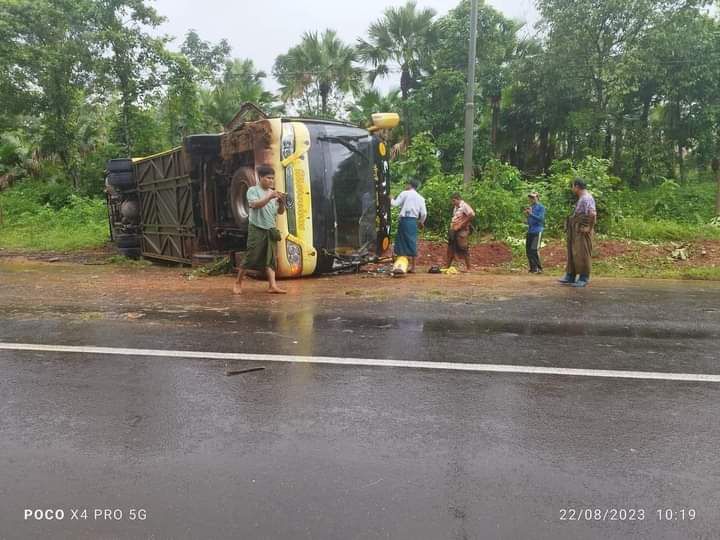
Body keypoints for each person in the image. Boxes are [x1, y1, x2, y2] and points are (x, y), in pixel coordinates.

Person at [233, 165, 287, 295]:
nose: (271, 181)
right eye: (268, 178)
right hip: (257, 228)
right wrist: (269, 197)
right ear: (261, 178)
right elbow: (254, 205)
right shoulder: (253, 191)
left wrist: (281, 203)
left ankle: (272, 285)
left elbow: (280, 212)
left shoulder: (273, 192)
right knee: (251, 256)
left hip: (270, 228)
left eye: (272, 178)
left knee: (271, 258)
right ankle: (238, 283)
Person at [559, 179, 597, 288]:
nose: (572, 189)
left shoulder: (586, 198)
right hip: (575, 229)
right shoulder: (582, 198)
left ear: (577, 186)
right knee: (573, 252)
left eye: (572, 186)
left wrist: (589, 228)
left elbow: (593, 214)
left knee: (582, 253)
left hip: (582, 229)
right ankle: (570, 275)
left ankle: (584, 278)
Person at [391, 179, 427, 273]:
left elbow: (395, 204)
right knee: (412, 241)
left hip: (404, 220)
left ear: (410, 185)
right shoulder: (420, 198)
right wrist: (421, 222)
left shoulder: (404, 193)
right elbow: (423, 213)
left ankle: (400, 265)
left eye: (406, 184)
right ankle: (413, 267)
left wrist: (390, 198)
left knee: (401, 242)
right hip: (413, 221)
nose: (405, 186)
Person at [446, 193, 475, 272]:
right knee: (451, 248)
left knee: (463, 247)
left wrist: (461, 224)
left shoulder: (464, 206)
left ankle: (469, 268)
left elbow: (472, 214)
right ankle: (447, 266)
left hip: (462, 229)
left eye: (454, 201)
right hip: (454, 229)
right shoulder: (456, 207)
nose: (453, 203)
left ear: (458, 199)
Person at [524, 192, 546, 274]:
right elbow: (529, 221)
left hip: (537, 231)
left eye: (533, 197)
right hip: (530, 231)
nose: (531, 199)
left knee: (534, 249)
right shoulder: (530, 207)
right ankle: (533, 268)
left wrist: (531, 214)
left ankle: (539, 268)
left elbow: (541, 219)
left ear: (537, 198)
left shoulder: (541, 207)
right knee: (528, 250)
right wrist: (527, 217)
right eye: (530, 197)